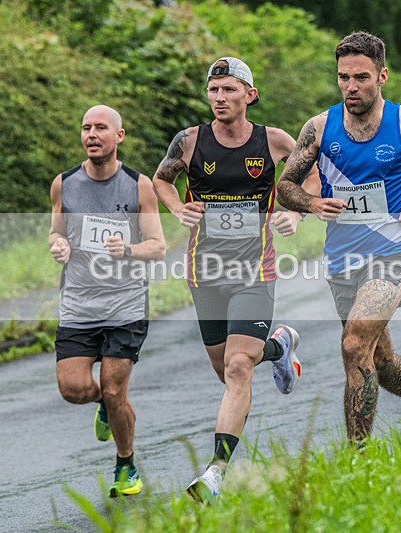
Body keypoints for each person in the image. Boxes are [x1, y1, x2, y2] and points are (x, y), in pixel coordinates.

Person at [276, 31, 401, 443]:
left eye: (361, 78)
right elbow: (287, 184)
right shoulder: (319, 128)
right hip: (342, 260)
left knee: (354, 343)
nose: (350, 87)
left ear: (382, 75)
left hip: (394, 253)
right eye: (343, 78)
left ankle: (359, 458)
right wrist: (310, 204)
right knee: (378, 356)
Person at [152, 57, 314, 500]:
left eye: (228, 90)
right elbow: (161, 180)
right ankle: (279, 347)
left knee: (240, 366)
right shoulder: (188, 142)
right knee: (226, 368)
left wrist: (293, 213)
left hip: (253, 269)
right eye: (213, 90)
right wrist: (176, 207)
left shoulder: (275, 141)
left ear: (250, 94)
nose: (219, 98)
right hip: (204, 272)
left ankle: (215, 472)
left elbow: (312, 179)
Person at [49, 105, 166, 497]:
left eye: (101, 127)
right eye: (86, 128)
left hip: (125, 304)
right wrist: (59, 245)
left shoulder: (138, 185)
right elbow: (55, 233)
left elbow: (158, 246)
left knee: (116, 390)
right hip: (79, 303)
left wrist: (128, 251)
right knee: (73, 388)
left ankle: (126, 465)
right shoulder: (64, 184)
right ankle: (105, 406)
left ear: (119, 136)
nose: (92, 134)